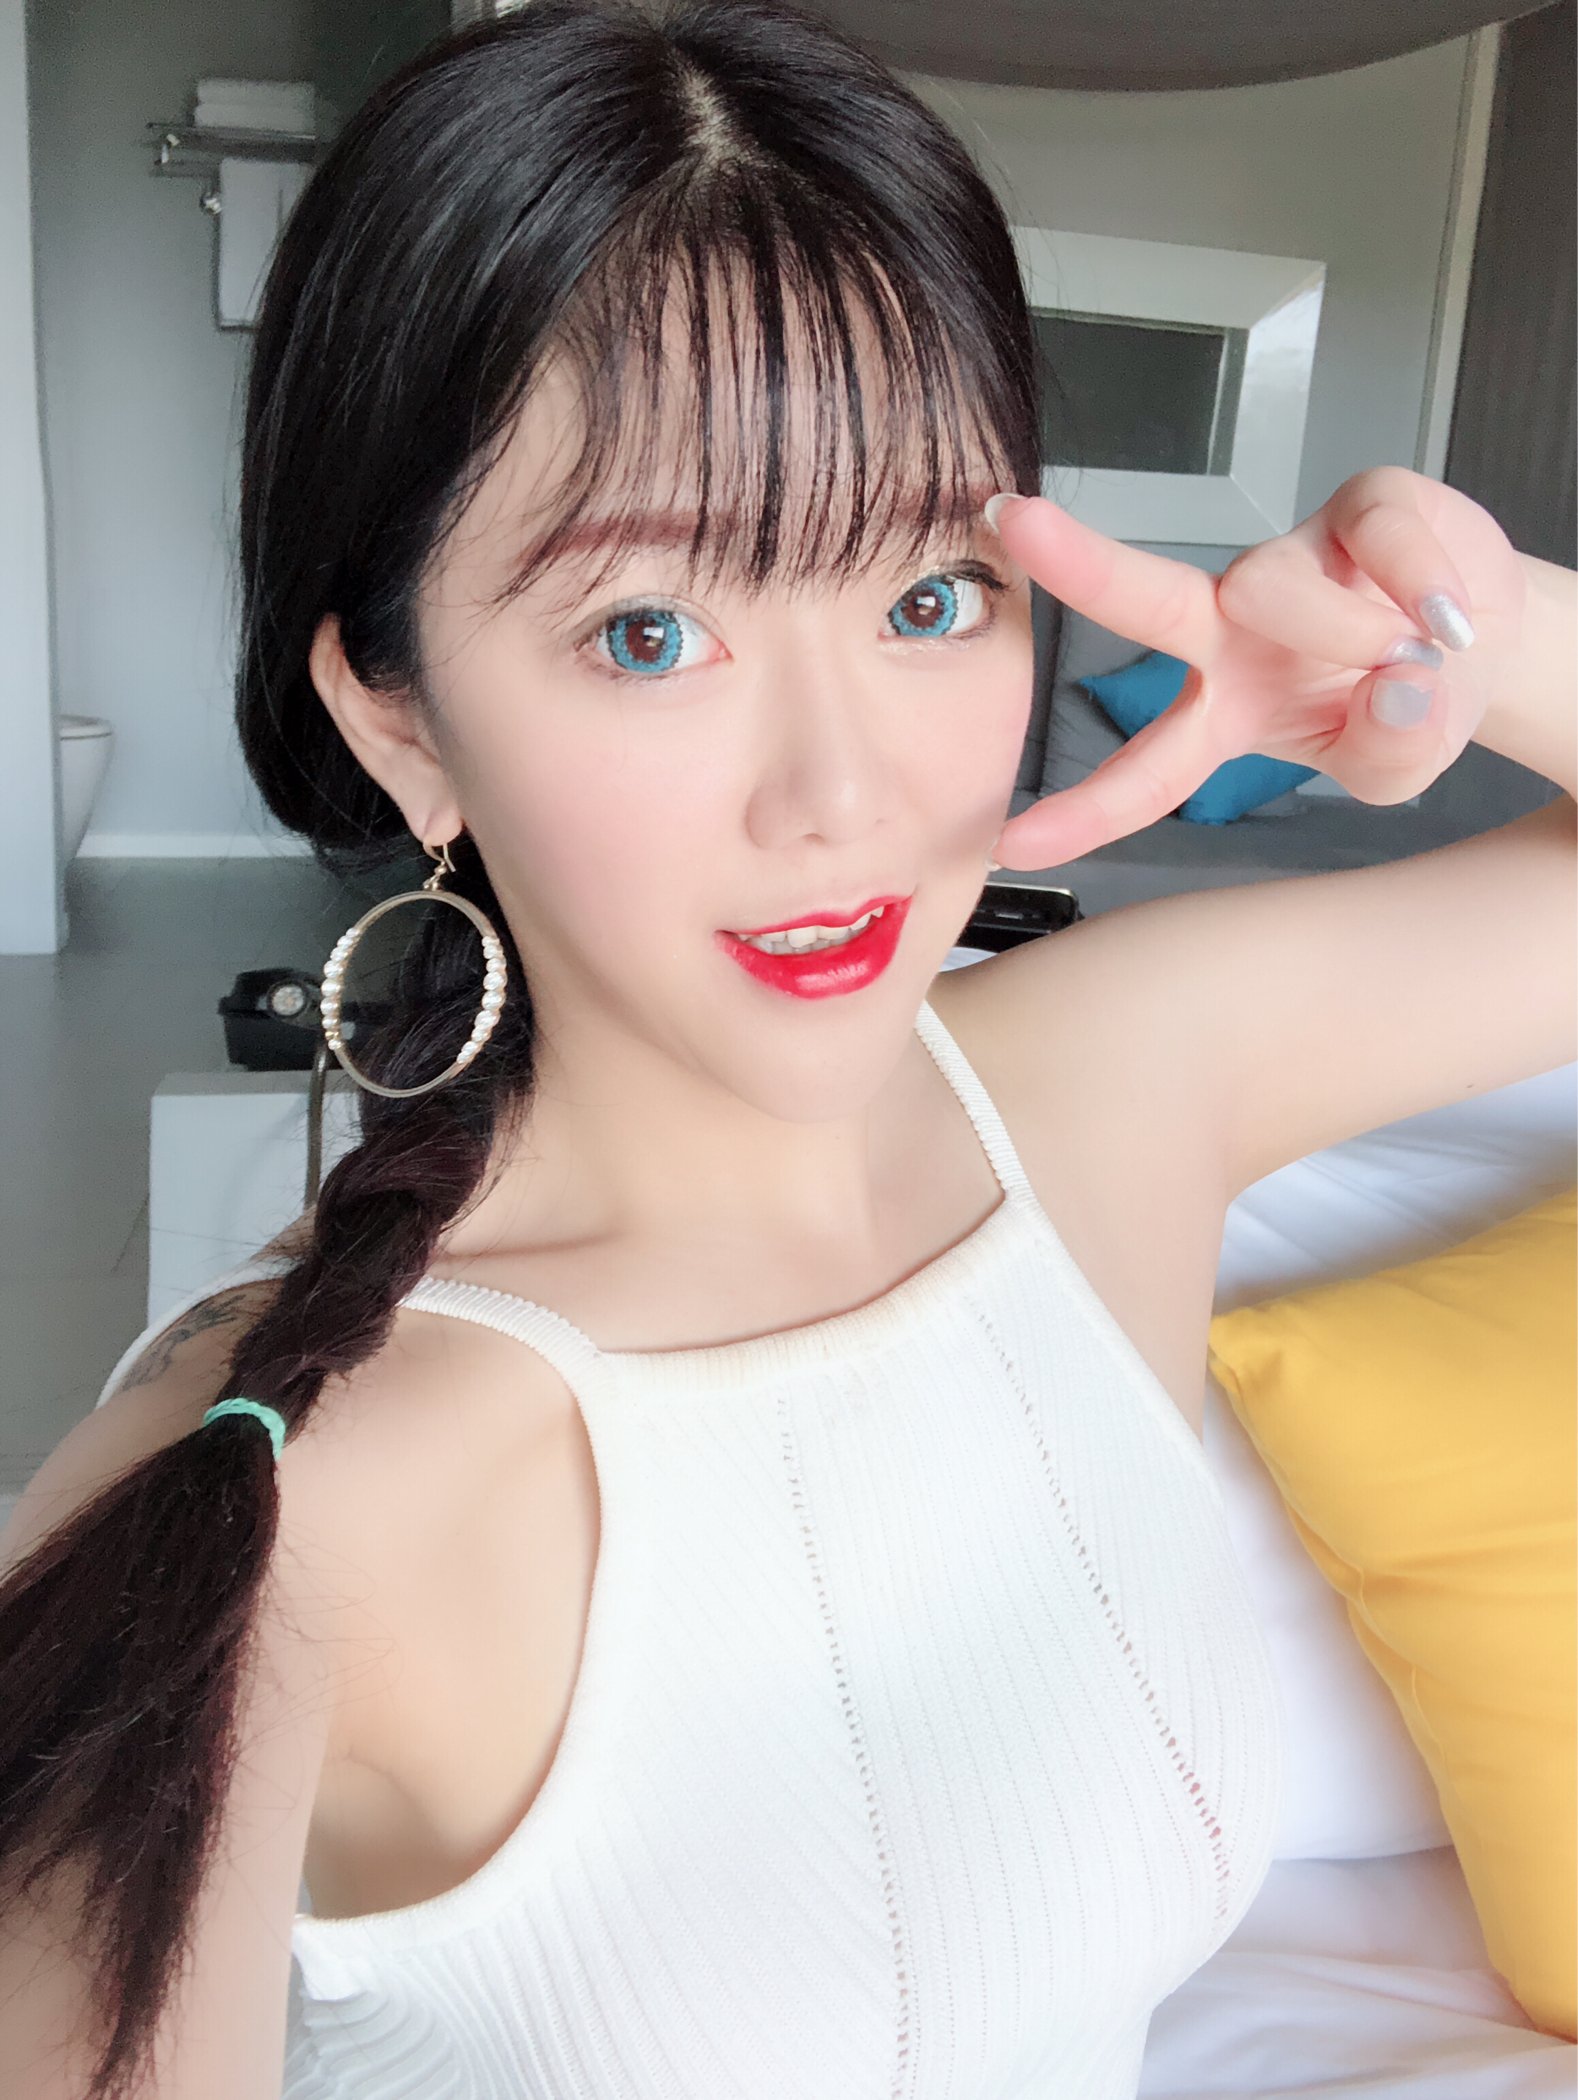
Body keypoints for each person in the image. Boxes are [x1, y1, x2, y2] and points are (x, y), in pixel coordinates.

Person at [2, 3, 1572, 2096]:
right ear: (399, 719)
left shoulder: (1111, 1088)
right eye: (649, 632)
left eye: (930, 598)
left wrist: (1478, 638)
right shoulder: (276, 1498)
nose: (845, 798)